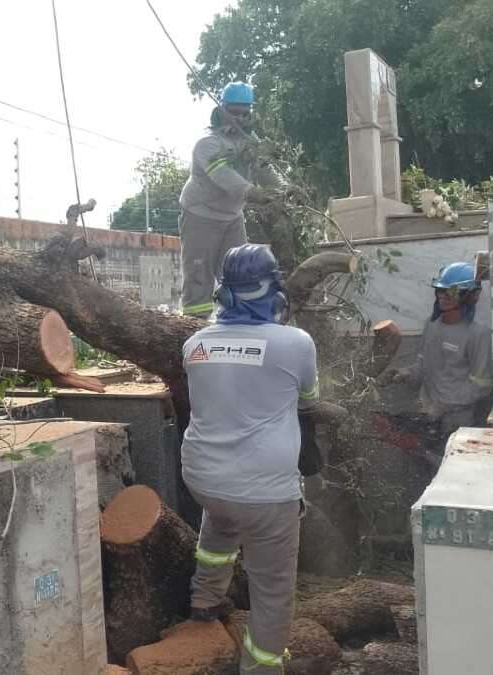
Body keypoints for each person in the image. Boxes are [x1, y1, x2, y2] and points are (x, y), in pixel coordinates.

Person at [181, 244, 318, 674]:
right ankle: (261, 665)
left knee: (221, 519)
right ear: (274, 289)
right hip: (263, 491)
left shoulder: (195, 344)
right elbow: (310, 399)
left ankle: (204, 597)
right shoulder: (295, 343)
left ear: (223, 292)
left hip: (203, 477)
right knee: (273, 586)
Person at [178, 81, 281, 318]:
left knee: (241, 273)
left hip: (233, 217)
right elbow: (224, 175)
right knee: (198, 275)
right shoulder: (208, 144)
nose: (241, 118)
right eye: (235, 112)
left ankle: (238, 323)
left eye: (246, 113)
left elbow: (267, 172)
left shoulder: (251, 142)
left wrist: (284, 192)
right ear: (222, 110)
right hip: (200, 215)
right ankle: (194, 327)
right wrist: (253, 192)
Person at [378, 262, 493, 451]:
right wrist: (404, 373)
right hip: (428, 416)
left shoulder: (478, 334)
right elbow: (424, 365)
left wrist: (443, 406)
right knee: (427, 469)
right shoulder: (432, 326)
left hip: (459, 423)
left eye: (452, 291)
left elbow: (481, 386)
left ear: (471, 296)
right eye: (440, 290)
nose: (443, 295)